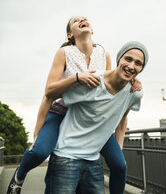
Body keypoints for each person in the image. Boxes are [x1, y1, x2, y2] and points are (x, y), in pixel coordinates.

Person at [7, 17, 140, 194]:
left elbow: (112, 81)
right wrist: (76, 77)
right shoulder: (64, 52)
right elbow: (49, 91)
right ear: (70, 34)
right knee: (38, 152)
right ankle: (19, 175)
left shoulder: (103, 53)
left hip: (90, 118)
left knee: (119, 165)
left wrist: (133, 79)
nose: (82, 20)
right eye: (76, 21)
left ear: (92, 30)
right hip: (61, 111)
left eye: (85, 19)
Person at [44, 41, 148, 194]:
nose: (131, 66)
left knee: (120, 166)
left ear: (141, 69)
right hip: (65, 158)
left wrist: (118, 150)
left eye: (138, 63)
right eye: (128, 59)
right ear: (119, 59)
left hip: (93, 161)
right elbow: (50, 95)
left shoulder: (134, 93)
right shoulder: (92, 81)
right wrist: (37, 132)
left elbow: (123, 117)